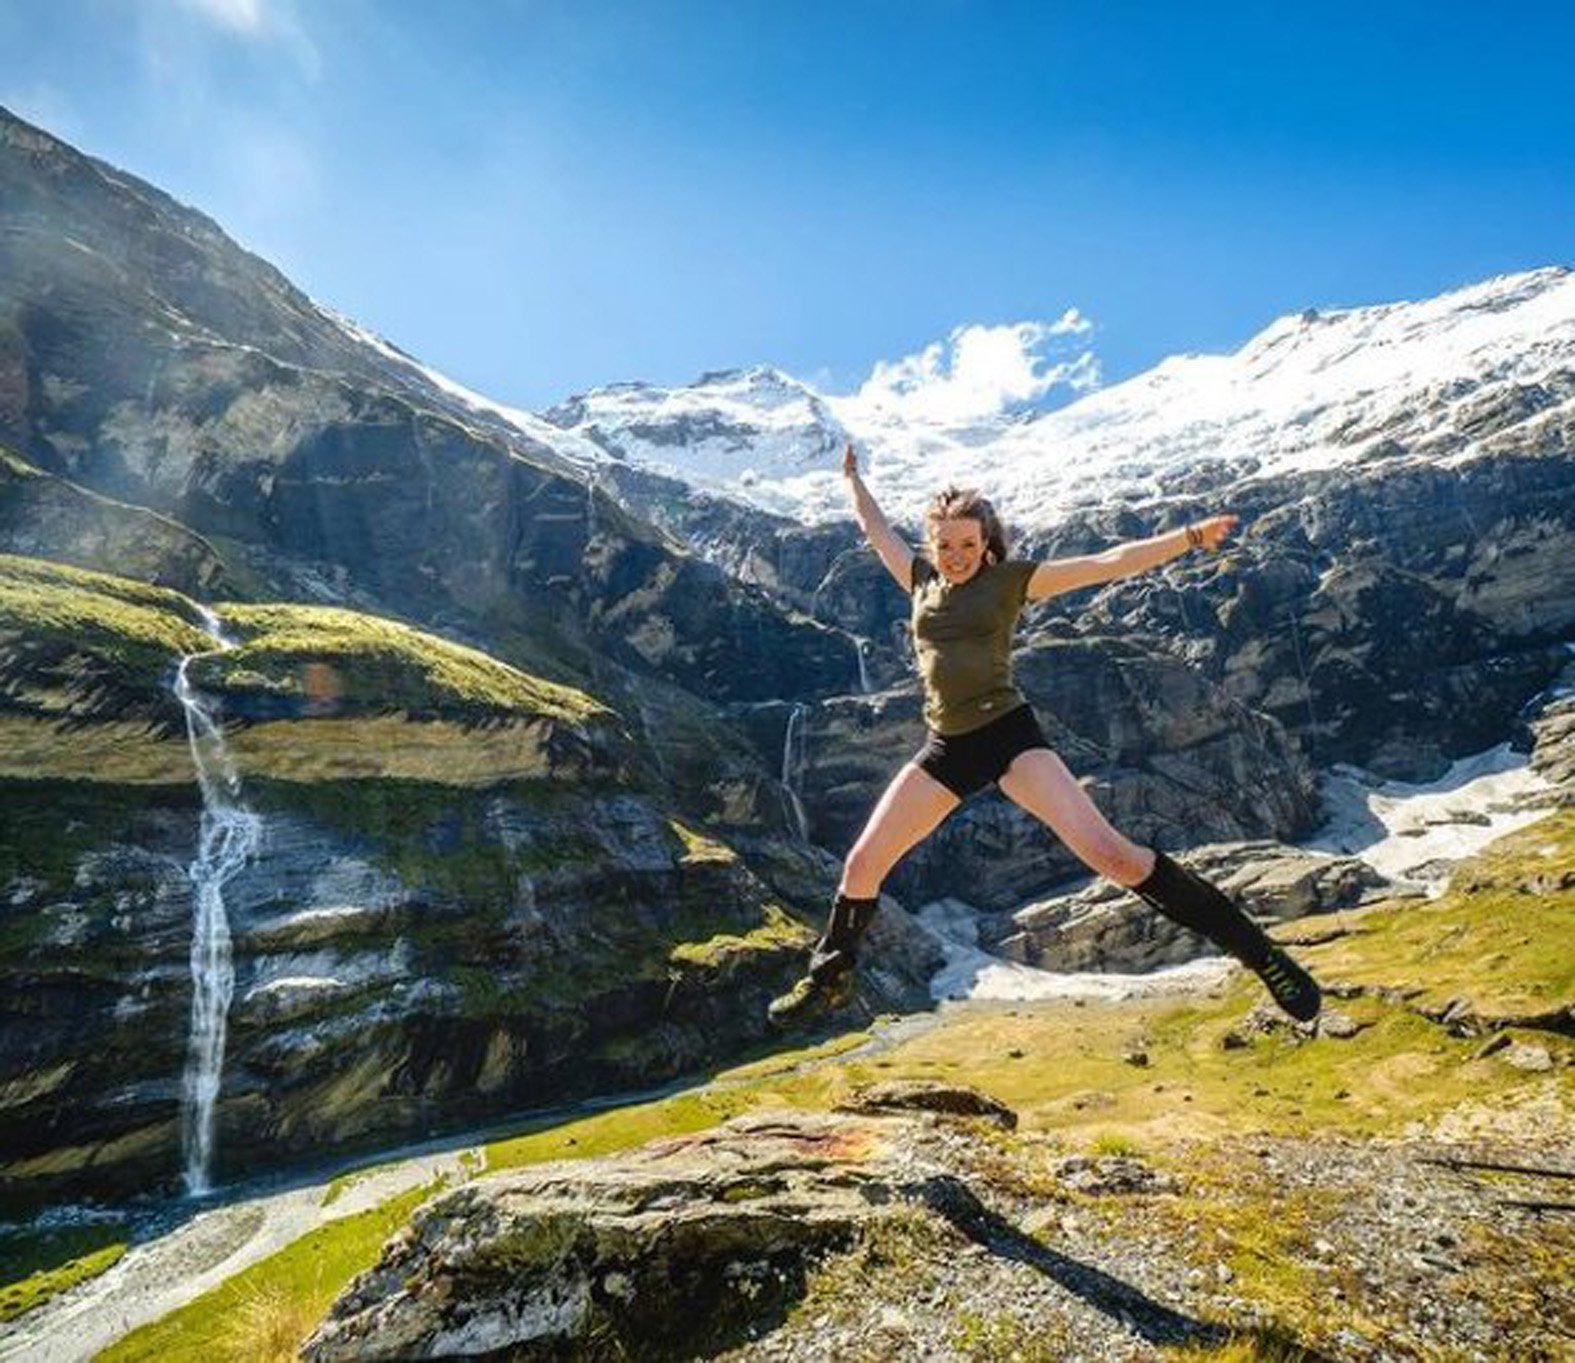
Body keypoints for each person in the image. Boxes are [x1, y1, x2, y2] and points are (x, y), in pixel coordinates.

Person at [767, 443, 1322, 1027]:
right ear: (933, 545)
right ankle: (827, 981)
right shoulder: (919, 580)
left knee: (1115, 857)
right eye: (946, 545)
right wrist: (853, 478)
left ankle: (1262, 956)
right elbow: (873, 525)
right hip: (945, 747)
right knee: (861, 866)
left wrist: (1188, 538)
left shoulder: (1012, 582)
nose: (956, 556)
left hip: (1009, 737)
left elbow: (1110, 562)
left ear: (986, 543)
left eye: (968, 544)